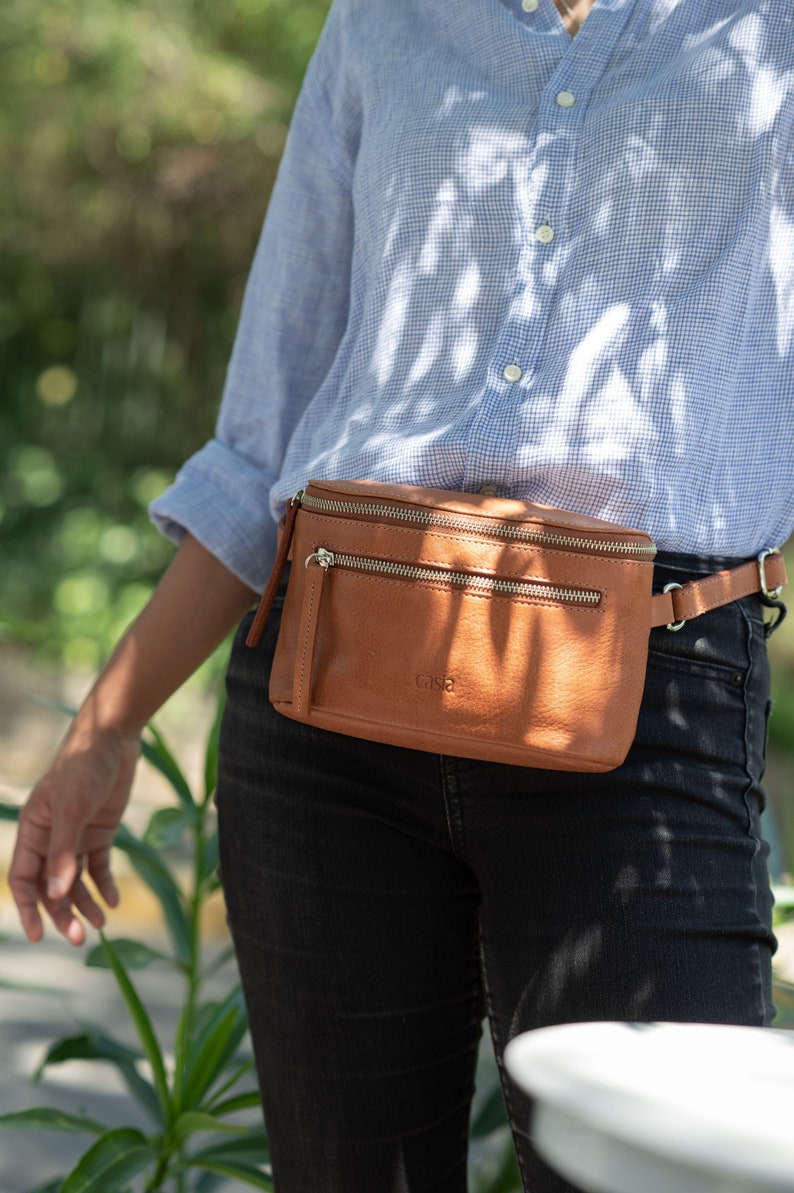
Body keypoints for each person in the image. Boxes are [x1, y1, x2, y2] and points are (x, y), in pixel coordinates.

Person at [9, 1, 794, 1189]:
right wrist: (104, 725)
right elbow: (259, 443)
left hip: (642, 705)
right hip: (327, 707)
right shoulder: (384, 18)